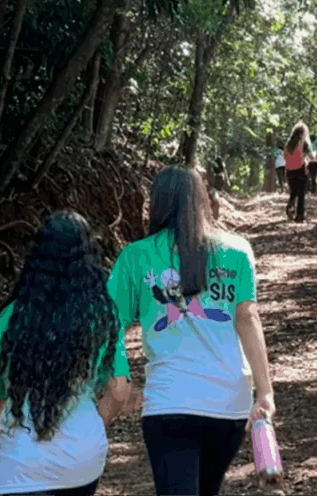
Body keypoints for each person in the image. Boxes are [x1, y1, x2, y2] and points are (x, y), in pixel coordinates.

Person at [108, 165, 275, 496]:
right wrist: (265, 391)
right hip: (229, 405)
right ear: (202, 201)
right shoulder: (237, 250)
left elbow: (108, 321)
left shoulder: (136, 256)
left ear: (155, 204)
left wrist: (120, 378)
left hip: (170, 403)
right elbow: (248, 318)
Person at [0, 211, 131, 496]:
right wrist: (96, 426)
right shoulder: (102, 317)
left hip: (22, 466)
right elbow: (118, 391)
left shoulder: (13, 318)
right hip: (84, 459)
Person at [284, 121, 311, 223]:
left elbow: (284, 156)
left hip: (290, 170)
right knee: (301, 193)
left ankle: (290, 206)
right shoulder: (304, 142)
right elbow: (311, 156)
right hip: (301, 169)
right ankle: (300, 216)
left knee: (293, 192)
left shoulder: (289, 143)